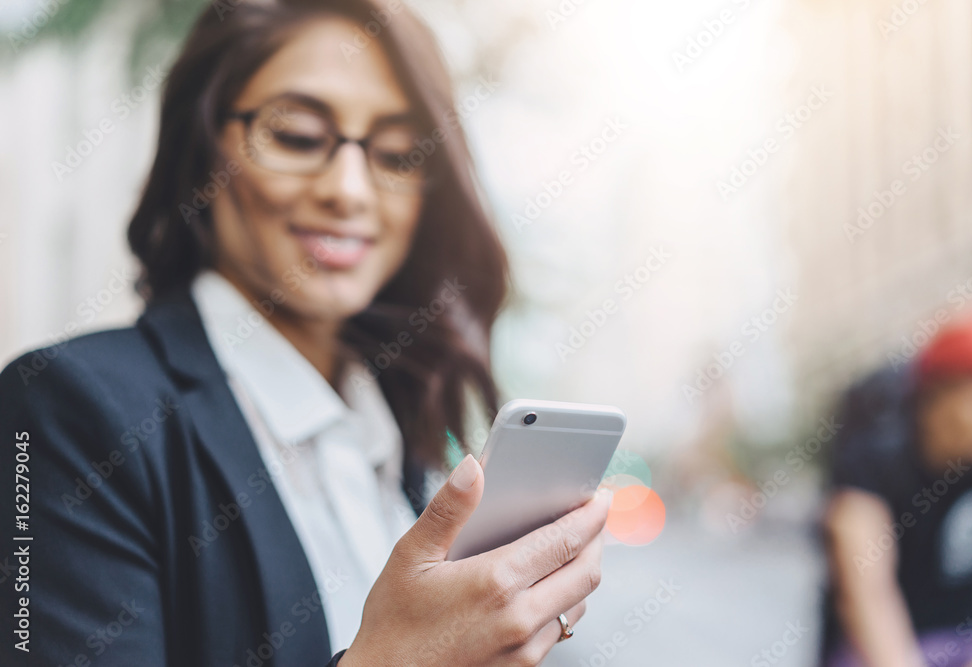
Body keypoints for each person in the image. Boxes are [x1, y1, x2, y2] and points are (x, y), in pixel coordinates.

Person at [0, 1, 611, 665]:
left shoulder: (400, 436)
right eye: (295, 135)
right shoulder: (68, 408)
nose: (349, 190)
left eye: (399, 153)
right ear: (204, 151)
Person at [821, 314, 972, 666]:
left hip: (962, 641)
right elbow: (868, 596)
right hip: (874, 647)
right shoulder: (873, 463)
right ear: (937, 400)